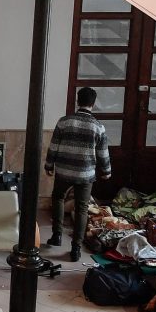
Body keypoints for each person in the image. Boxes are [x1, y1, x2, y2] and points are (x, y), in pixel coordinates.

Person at [44, 86, 112, 261]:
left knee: (58, 198)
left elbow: (54, 146)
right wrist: (106, 171)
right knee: (81, 208)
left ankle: (57, 235)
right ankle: (76, 248)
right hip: (85, 174)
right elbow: (103, 153)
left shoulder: (64, 121)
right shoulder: (98, 126)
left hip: (64, 170)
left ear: (77, 101)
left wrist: (49, 164)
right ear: (93, 104)